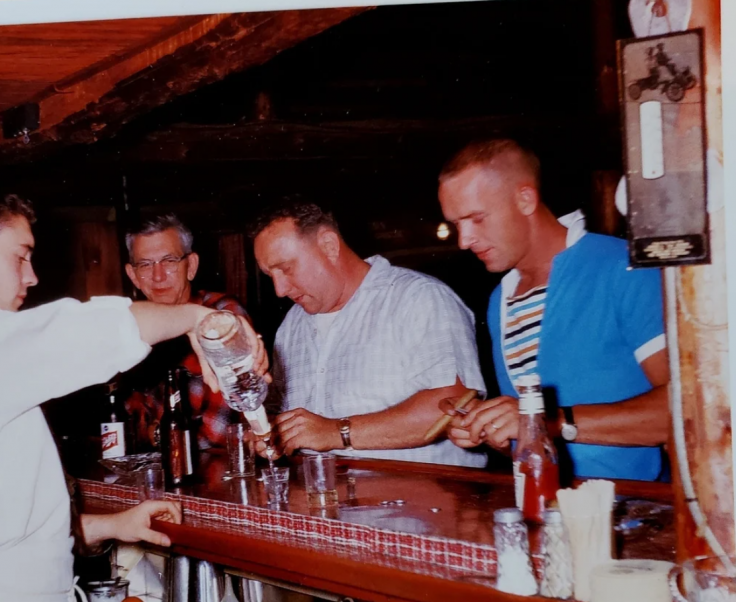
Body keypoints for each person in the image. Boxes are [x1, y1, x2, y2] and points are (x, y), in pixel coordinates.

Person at [0, 196, 265, 602]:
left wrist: (108, 525)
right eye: (20, 255)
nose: (31, 276)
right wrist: (196, 316)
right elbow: (88, 330)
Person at [436, 139, 668, 480]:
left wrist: (548, 421)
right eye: (457, 224)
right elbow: (530, 438)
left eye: (476, 219)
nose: (464, 240)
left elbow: (686, 410)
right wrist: (489, 430)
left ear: (525, 199)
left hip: (636, 511)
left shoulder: (623, 268)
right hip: (544, 507)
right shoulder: (501, 298)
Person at [250, 198, 488, 467]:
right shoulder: (291, 326)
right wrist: (270, 432)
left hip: (426, 501)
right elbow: (278, 409)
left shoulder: (418, 299)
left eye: (286, 268)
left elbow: (454, 405)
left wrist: (335, 432)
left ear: (329, 246)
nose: (279, 290)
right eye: (271, 275)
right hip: (324, 501)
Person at [121, 214, 254, 451]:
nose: (158, 276)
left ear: (191, 266)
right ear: (133, 276)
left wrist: (160, 436)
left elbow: (220, 433)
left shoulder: (221, 314)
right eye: (145, 264)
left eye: (169, 261)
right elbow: (124, 423)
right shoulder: (132, 328)